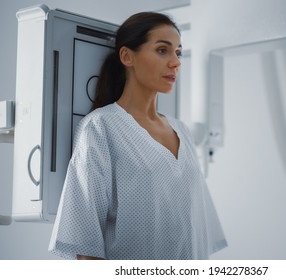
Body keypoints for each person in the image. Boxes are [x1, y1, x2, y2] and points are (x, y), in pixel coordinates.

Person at [48, 11, 227, 260]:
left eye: (178, 53)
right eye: (162, 50)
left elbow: (195, 233)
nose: (175, 62)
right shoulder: (101, 127)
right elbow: (86, 243)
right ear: (127, 56)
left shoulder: (182, 131)